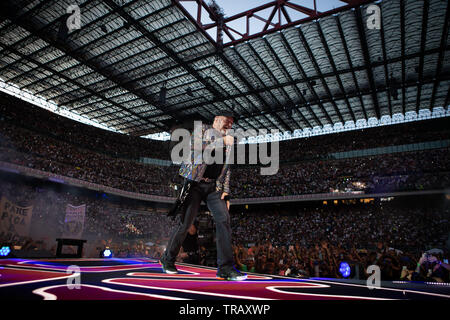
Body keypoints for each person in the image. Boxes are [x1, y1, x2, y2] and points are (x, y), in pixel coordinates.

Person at [160, 111, 247, 281]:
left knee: (223, 220)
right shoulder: (202, 130)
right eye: (226, 121)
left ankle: (225, 268)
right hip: (194, 184)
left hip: (214, 187)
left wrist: (226, 192)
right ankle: (167, 259)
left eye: (231, 123)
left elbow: (227, 168)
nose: (229, 125)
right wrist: (222, 140)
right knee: (185, 224)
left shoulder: (228, 141)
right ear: (216, 120)